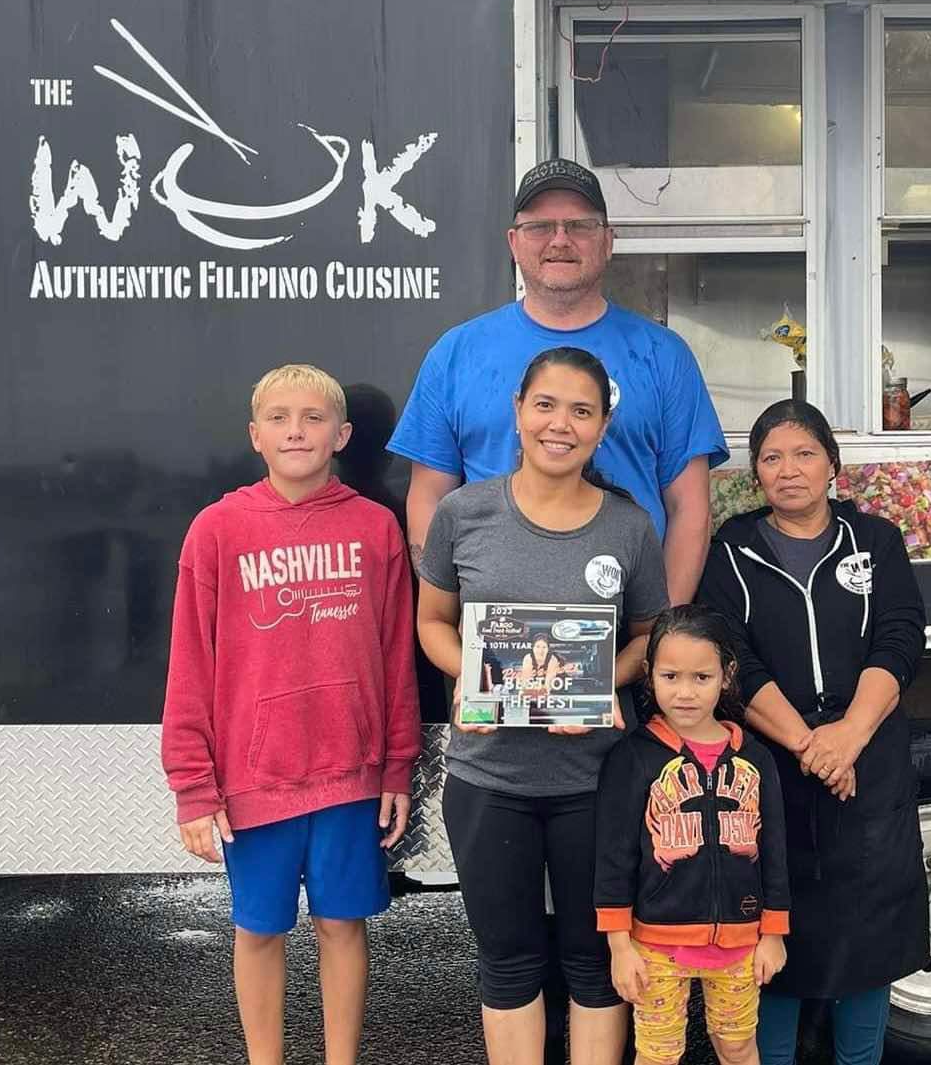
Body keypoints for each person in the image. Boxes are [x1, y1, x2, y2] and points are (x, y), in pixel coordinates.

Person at [161, 363, 421, 1065]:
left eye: (312, 417)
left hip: (351, 774)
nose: (296, 430)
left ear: (342, 433)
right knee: (259, 930)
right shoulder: (217, 530)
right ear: (255, 435)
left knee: (343, 925)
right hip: (256, 779)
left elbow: (397, 655)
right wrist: (193, 783)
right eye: (279, 417)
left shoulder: (375, 529)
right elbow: (190, 664)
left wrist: (397, 765)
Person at [415, 346, 670, 1065]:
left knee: (595, 961)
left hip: (596, 781)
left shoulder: (628, 527)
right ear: (519, 412)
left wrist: (602, 684)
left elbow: (652, 636)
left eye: (582, 410)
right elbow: (431, 621)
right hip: (489, 779)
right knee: (508, 959)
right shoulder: (464, 514)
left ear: (602, 425)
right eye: (547, 405)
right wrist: (467, 671)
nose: (562, 424)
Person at [696, 400, 928, 1065]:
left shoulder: (875, 540)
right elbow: (732, 658)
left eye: (804, 453)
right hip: (770, 766)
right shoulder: (731, 550)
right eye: (771, 456)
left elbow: (900, 637)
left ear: (832, 462)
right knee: (772, 935)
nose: (788, 469)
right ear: (755, 472)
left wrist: (849, 737)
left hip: (869, 760)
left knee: (868, 934)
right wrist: (809, 746)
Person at [390, 157, 728, 606]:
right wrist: (453, 621)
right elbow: (429, 496)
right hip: (496, 641)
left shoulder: (664, 356)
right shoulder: (456, 354)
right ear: (513, 242)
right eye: (540, 226)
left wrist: (660, 641)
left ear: (608, 241)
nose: (560, 240)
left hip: (629, 638)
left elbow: (689, 510)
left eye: (580, 226)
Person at [595, 605, 790, 1065]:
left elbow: (776, 850)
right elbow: (613, 856)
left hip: (741, 941)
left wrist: (773, 933)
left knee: (738, 1045)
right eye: (670, 676)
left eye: (701, 677)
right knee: (659, 1054)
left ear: (727, 676)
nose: (684, 693)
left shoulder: (755, 758)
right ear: (649, 675)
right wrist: (619, 946)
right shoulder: (633, 758)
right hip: (656, 943)